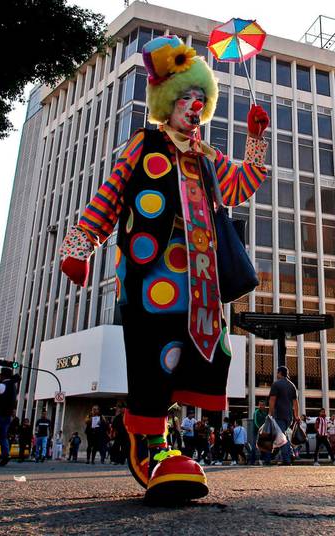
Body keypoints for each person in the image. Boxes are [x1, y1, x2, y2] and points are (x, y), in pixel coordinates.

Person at [58, 34, 269, 503]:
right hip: (151, 272)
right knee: (154, 355)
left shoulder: (205, 155)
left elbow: (242, 186)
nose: (194, 106)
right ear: (167, 103)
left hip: (198, 279)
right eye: (186, 98)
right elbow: (110, 195)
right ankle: (149, 445)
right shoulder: (145, 143)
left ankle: (166, 443)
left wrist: (255, 141)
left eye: (200, 99)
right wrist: (79, 244)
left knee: (192, 357)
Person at [269, 366, 299, 466]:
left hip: (279, 415)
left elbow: (272, 400)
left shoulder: (276, 384)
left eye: (277, 373)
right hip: (289, 417)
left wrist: (270, 414)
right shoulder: (292, 385)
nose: (277, 375)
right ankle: (291, 454)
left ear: (280, 373)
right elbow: (295, 403)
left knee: (280, 437)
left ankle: (287, 459)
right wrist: (296, 416)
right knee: (283, 434)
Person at [249, 400, 270, 465]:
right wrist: (260, 429)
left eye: (263, 405)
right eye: (260, 405)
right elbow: (255, 422)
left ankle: (264, 460)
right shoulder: (256, 412)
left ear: (265, 406)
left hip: (264, 433)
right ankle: (252, 461)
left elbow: (267, 422)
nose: (261, 406)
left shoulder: (265, 413)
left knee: (265, 447)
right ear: (258, 405)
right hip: (256, 432)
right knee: (254, 447)